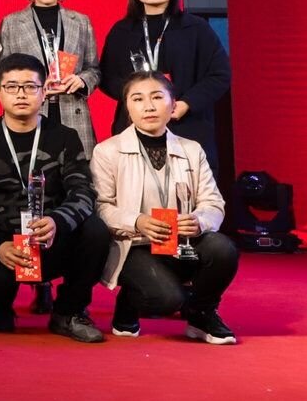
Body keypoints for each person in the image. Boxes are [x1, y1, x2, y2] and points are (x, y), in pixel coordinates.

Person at [0, 54, 109, 342]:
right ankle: (1, 305)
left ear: (44, 91)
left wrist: (56, 222)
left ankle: (68, 311)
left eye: (30, 87)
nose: (21, 94)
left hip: (51, 238)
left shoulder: (65, 137)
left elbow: (83, 193)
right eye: (12, 86)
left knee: (96, 231)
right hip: (4, 241)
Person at [91, 70, 240, 344]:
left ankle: (202, 314)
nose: (148, 106)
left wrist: (199, 221)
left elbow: (213, 202)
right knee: (167, 300)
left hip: (181, 242)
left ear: (173, 105)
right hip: (133, 246)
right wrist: (136, 221)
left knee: (223, 249)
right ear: (127, 108)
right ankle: (129, 301)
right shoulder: (107, 151)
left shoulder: (192, 149)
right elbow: (100, 207)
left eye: (157, 97)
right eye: (138, 99)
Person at [99, 0, 232, 171]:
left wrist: (186, 103)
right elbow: (106, 77)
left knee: (189, 188)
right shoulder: (121, 31)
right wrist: (138, 100)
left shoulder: (196, 28)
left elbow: (220, 74)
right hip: (134, 127)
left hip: (187, 126)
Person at [0, 0, 101, 155]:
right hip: (29, 110)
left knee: (76, 169)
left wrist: (81, 80)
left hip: (73, 110)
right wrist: (31, 84)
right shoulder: (12, 23)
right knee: (31, 166)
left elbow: (94, 69)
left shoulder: (81, 22)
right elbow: (1, 71)